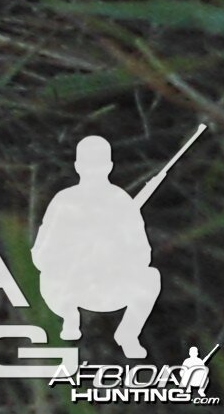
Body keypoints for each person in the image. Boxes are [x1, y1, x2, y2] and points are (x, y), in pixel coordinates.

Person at [36, 134, 165, 359]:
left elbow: (142, 253)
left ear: (109, 166)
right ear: (78, 166)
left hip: (108, 284)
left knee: (151, 278)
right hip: (69, 288)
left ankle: (127, 334)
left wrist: (114, 249)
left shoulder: (120, 201)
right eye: (88, 165)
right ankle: (69, 321)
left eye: (98, 165)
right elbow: (41, 252)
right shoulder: (64, 202)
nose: (93, 171)